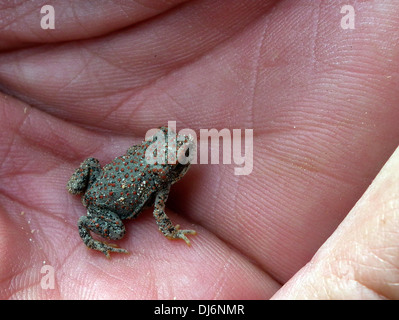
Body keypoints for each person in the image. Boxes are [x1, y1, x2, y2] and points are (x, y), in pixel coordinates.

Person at [0, 0, 398, 299]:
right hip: (104, 207)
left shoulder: (145, 156)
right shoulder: (159, 185)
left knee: (90, 175)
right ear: (167, 170)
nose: (182, 155)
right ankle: (97, 236)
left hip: (102, 182)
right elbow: (159, 217)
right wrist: (174, 234)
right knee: (117, 229)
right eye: (177, 159)